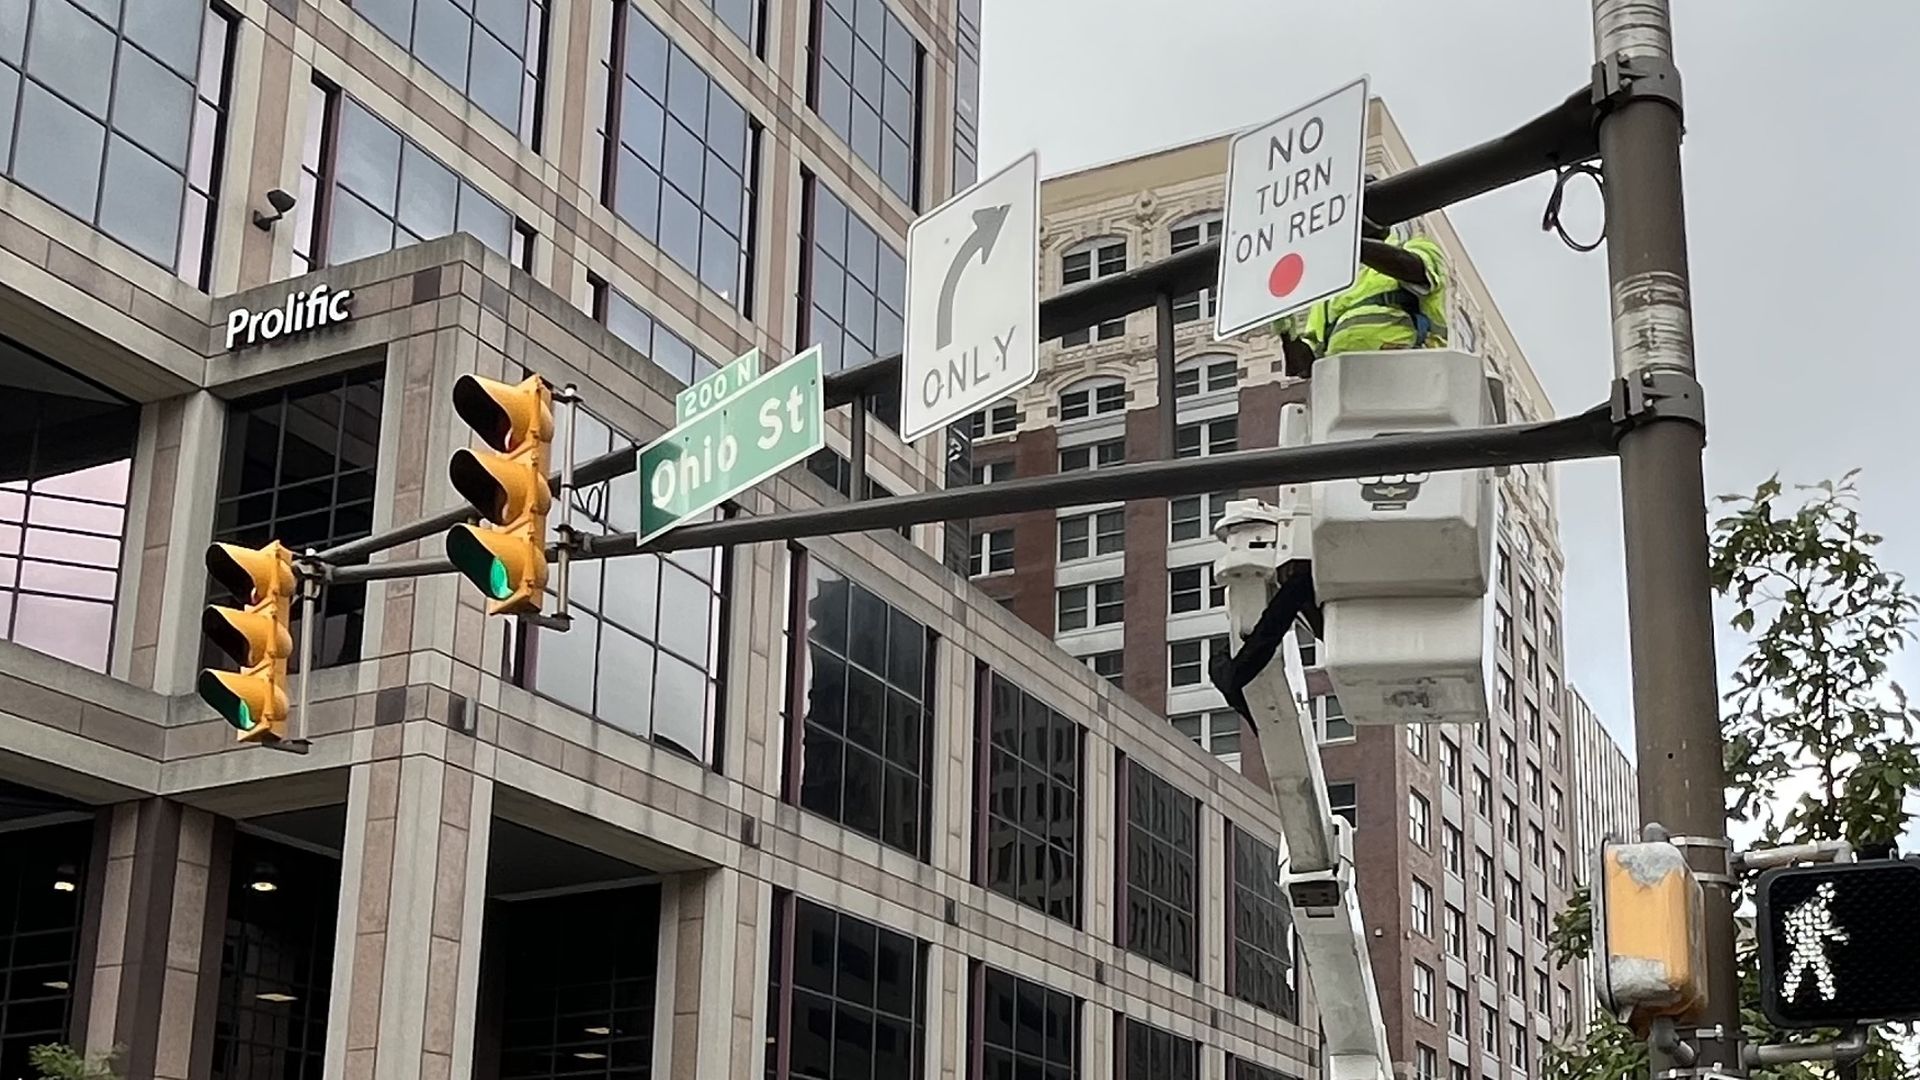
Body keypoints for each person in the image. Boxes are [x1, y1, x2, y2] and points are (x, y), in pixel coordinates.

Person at [1275, 188, 1451, 377]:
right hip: (1346, 388)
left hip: (1406, 374)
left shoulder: (1413, 247)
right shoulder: (1334, 284)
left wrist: (1350, 243)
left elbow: (1412, 268)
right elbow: (1304, 366)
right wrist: (1287, 333)